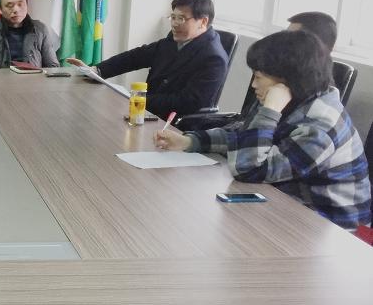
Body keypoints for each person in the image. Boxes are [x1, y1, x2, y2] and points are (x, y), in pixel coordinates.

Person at [154, 31, 371, 231]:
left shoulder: (319, 125)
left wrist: (270, 110)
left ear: (287, 80)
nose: (253, 85)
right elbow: (245, 139)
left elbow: (249, 170)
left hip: (331, 230)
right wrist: (190, 141)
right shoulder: (294, 97)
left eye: (258, 77)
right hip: (288, 206)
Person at [68, 0, 228, 119]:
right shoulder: (175, 40)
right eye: (173, 17)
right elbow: (137, 56)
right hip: (148, 112)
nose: (174, 24)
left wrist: (138, 99)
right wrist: (97, 71)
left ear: (203, 22)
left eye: (181, 19)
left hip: (176, 125)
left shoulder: (213, 58)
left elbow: (187, 102)